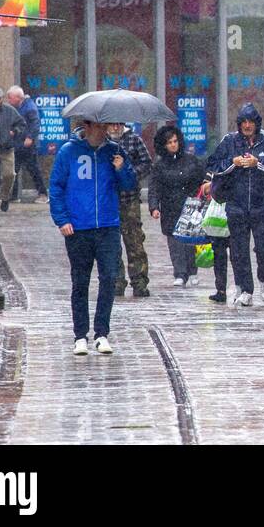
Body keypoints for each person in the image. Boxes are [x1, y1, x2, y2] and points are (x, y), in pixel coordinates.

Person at [49, 118, 136, 356]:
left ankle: (102, 333)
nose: (104, 131)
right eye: (99, 126)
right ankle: (80, 335)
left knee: (109, 278)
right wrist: (62, 219)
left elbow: (129, 185)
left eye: (106, 126)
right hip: (79, 227)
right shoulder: (69, 151)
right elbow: (56, 186)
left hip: (108, 225)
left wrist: (122, 168)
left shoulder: (115, 151)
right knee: (80, 281)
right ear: (87, 128)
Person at [203, 103, 264, 306]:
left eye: (251, 122)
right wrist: (233, 163)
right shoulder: (229, 141)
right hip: (236, 204)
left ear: (256, 124)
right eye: (244, 122)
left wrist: (257, 164)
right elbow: (213, 164)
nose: (247, 126)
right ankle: (245, 288)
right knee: (238, 249)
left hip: (263, 205)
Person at [148, 124, 206, 287]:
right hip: (169, 206)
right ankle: (180, 273)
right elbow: (154, 187)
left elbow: (202, 180)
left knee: (189, 240)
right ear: (163, 145)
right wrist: (154, 207)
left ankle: (193, 271)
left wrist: (201, 198)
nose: (173, 144)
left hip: (190, 206)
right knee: (174, 242)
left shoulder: (191, 161)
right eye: (169, 142)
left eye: (175, 141)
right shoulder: (159, 166)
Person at [108, 123, 153, 299]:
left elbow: (146, 163)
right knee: (111, 244)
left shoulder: (134, 140)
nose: (115, 127)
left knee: (134, 241)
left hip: (130, 199)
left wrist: (130, 172)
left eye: (118, 124)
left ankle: (140, 282)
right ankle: (116, 281)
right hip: (109, 199)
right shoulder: (102, 143)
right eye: (112, 124)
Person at [5, 86, 48, 203]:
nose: (8, 100)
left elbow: (35, 123)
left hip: (28, 146)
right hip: (18, 144)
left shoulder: (29, 107)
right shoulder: (17, 107)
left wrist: (30, 137)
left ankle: (43, 194)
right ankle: (13, 196)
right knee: (13, 170)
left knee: (34, 170)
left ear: (18, 97)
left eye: (10, 98)